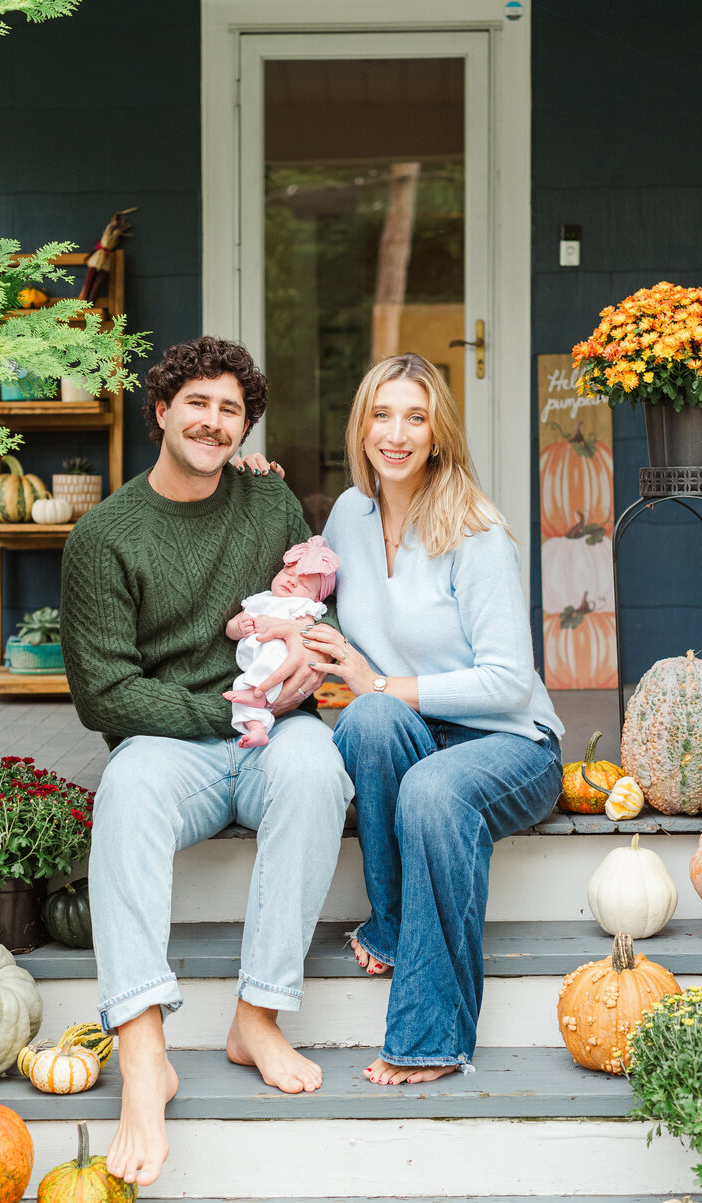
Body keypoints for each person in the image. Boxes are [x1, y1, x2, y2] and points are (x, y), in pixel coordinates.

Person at [60, 336, 353, 1188]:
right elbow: (105, 695)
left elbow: (306, 605)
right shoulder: (104, 537)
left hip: (271, 731)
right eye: (198, 403)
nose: (214, 421)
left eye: (231, 409)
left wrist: (308, 664)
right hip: (175, 741)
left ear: (244, 427)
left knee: (316, 769)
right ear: (161, 410)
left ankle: (257, 1015)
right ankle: (145, 1052)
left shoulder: (270, 504)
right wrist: (225, 713)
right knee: (126, 787)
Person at [298, 352, 564, 1087]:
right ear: (361, 426)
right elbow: (309, 584)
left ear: (438, 433)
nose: (396, 433)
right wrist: (249, 477)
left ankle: (430, 1035)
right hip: (419, 729)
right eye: (382, 414)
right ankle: (389, 922)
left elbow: (509, 682)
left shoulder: (474, 531)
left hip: (510, 744)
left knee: (432, 786)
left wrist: (379, 678)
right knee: (368, 724)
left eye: (415, 416)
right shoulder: (350, 514)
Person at [224, 535, 340, 747]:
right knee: (240, 688)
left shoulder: (302, 607)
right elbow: (231, 628)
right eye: (288, 572)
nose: (292, 580)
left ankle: (259, 702)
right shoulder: (260, 599)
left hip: (279, 661)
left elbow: (304, 631)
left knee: (271, 659)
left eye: (303, 584)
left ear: (315, 599)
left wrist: (272, 622)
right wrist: (239, 627)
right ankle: (257, 729)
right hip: (250, 664)